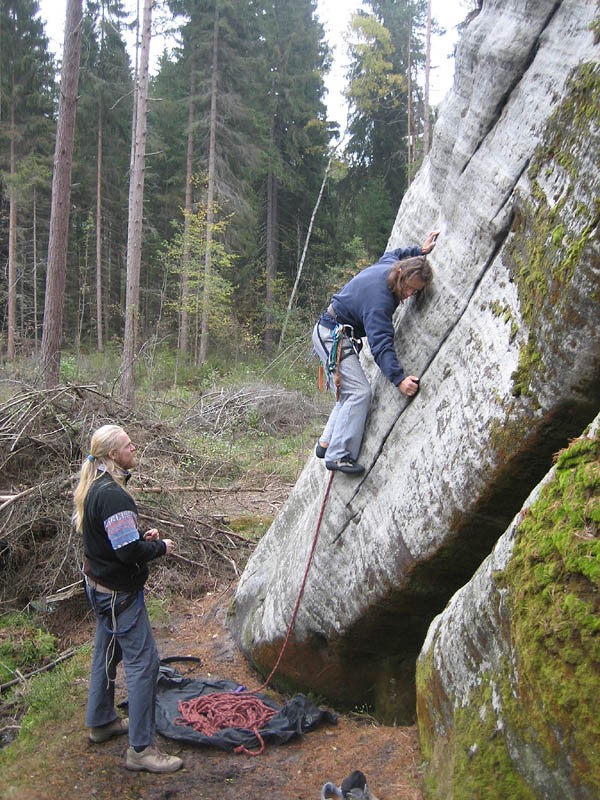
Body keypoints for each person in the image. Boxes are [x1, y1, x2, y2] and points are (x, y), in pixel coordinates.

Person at [73, 424, 183, 773]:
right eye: (127, 444)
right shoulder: (115, 495)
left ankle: (102, 721)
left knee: (106, 653)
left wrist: (138, 536)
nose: (134, 447)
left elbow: (116, 541)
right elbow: (127, 552)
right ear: (112, 456)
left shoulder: (97, 487)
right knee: (144, 663)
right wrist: (158, 547)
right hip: (119, 596)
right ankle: (141, 749)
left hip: (99, 587)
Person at [312, 231, 438, 475]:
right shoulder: (380, 300)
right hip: (331, 336)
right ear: (401, 275)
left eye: (415, 292)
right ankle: (339, 455)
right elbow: (381, 344)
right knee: (359, 392)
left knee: (350, 390)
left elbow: (396, 254)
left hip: (331, 332)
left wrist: (419, 252)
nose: (409, 295)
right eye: (410, 289)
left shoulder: (390, 267)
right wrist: (399, 380)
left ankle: (326, 443)